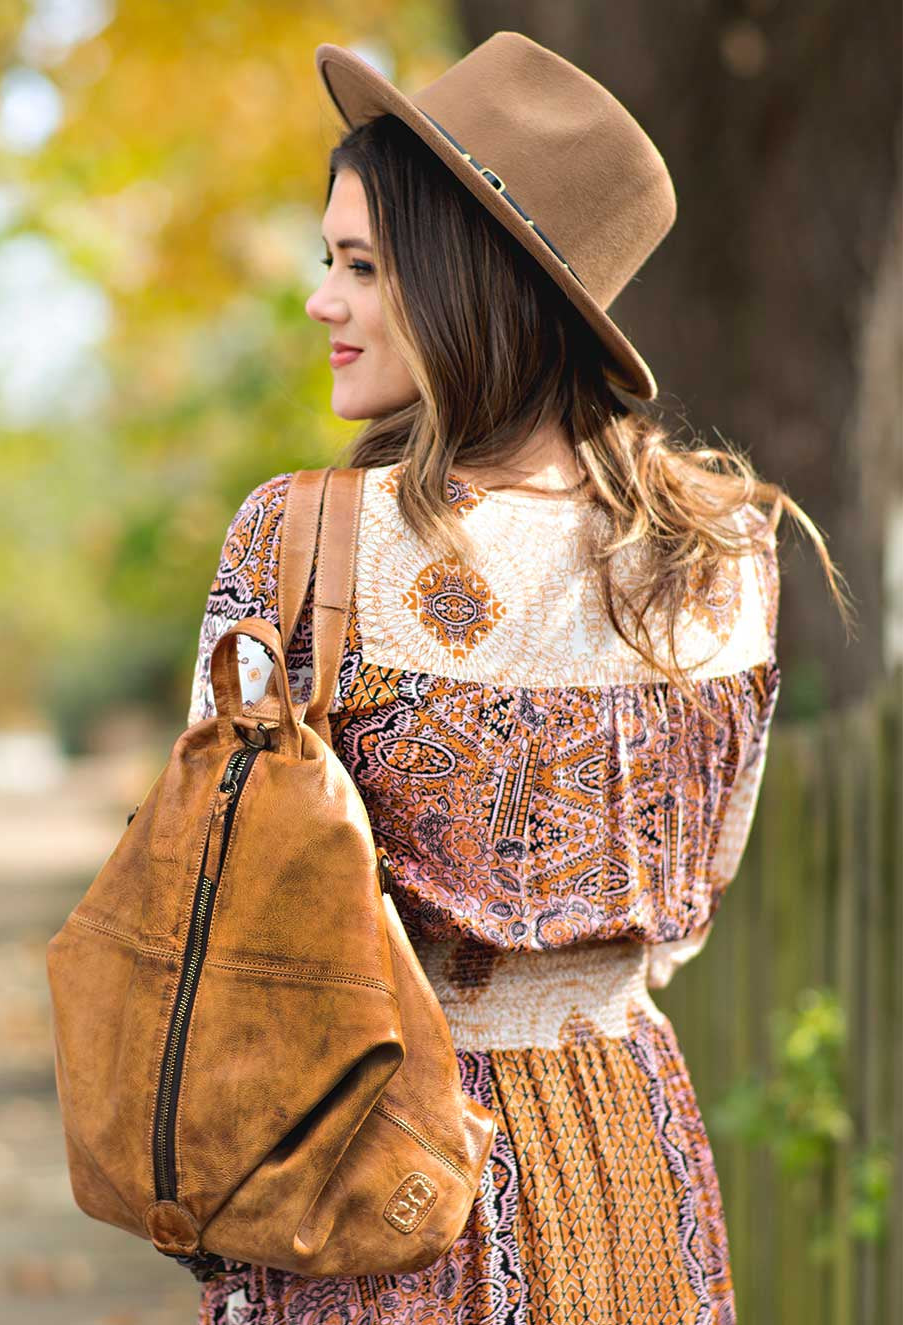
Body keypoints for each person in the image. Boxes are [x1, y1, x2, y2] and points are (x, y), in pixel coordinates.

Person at [181, 31, 851, 1325]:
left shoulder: (301, 536)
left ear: (467, 281)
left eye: (362, 266)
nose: (323, 300)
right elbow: (697, 898)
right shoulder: (722, 555)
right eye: (331, 260)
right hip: (627, 1144)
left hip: (368, 1156)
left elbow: (219, 882)